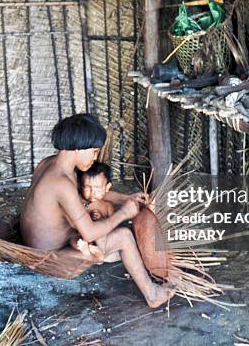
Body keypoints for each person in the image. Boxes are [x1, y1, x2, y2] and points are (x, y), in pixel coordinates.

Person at [20, 113, 174, 308]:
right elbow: (90, 232)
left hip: (43, 244)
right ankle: (152, 295)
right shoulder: (61, 183)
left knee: (114, 242)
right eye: (93, 151)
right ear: (78, 148)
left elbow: (89, 194)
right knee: (125, 236)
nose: (94, 158)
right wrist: (124, 213)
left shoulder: (50, 163)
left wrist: (126, 199)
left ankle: (110, 256)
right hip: (49, 258)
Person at [69, 162, 115, 261]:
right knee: (75, 240)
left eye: (98, 188)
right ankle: (87, 250)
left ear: (107, 187)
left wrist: (101, 220)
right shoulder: (77, 202)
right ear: (81, 186)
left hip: (100, 240)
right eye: (88, 187)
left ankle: (99, 253)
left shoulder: (107, 206)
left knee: (101, 231)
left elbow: (112, 227)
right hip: (82, 237)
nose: (93, 192)